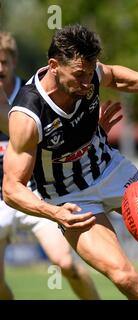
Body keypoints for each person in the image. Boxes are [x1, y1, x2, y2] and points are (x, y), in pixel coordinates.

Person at [2, 25, 138, 300]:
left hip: (112, 169)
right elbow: (11, 189)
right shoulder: (27, 115)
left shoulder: (89, 76)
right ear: (54, 66)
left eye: (91, 73)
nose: (87, 82)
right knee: (125, 276)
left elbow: (117, 77)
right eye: (79, 75)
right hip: (71, 198)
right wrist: (54, 213)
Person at [0, 31, 99, 300]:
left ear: (13, 61)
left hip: (34, 191)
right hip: (3, 198)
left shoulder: (32, 97)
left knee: (66, 264)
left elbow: (24, 125)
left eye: (3, 61)